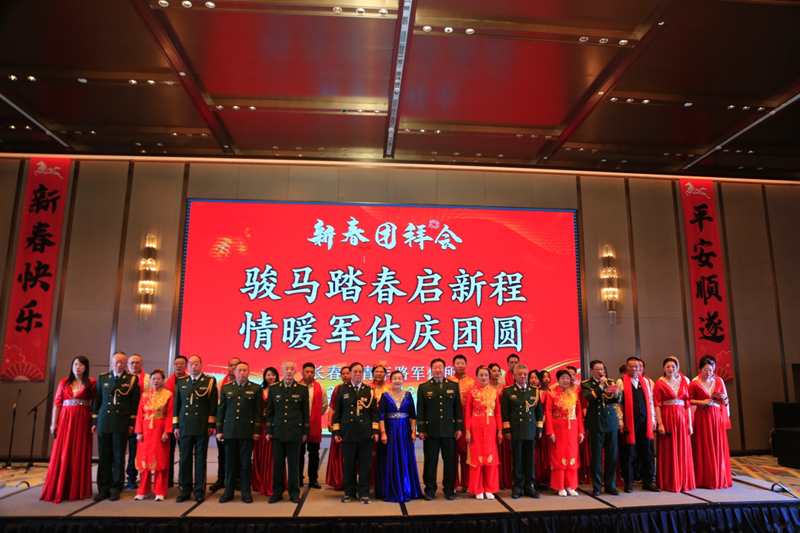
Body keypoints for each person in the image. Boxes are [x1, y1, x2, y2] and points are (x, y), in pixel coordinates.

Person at [41, 356, 96, 503]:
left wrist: (94, 421)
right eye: (75, 364)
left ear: (86, 367)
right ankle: (60, 486)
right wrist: (54, 422)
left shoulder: (92, 382)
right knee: (63, 450)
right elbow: (57, 403)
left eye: (81, 365)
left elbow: (95, 404)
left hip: (83, 419)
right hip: (65, 419)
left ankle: (77, 488)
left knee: (79, 451)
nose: (77, 367)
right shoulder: (64, 382)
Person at [92, 352, 141, 502]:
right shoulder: (103, 378)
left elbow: (134, 404)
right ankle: (103, 488)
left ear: (126, 364)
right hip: (104, 421)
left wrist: (131, 423)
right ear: (111, 362)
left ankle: (116, 488)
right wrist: (95, 421)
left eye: (122, 362)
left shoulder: (132, 379)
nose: (119, 365)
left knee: (118, 457)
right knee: (104, 457)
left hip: (121, 421)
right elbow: (97, 400)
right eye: (116, 362)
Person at [217, 361, 264, 503]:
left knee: (245, 464)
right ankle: (228, 492)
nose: (242, 373)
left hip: (246, 431)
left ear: (248, 372)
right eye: (239, 371)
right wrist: (219, 430)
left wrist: (257, 430)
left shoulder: (255, 388)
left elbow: (258, 412)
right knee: (230, 463)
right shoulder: (227, 388)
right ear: (234, 372)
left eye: (244, 371)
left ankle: (246, 492)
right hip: (230, 431)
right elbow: (221, 410)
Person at [417, 358, 463, 501]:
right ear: (431, 370)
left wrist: (458, 428)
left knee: (450, 462)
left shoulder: (453, 386)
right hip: (431, 430)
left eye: (440, 367)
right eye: (435, 368)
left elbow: (457, 409)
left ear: (445, 369)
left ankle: (449, 489)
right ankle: (430, 489)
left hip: (449, 430)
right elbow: (421, 411)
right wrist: (421, 429)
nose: (438, 370)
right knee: (430, 461)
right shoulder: (424, 387)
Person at [333, 362, 379, 504]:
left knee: (365, 465)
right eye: (355, 372)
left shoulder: (369, 391)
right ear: (350, 374)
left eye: (360, 372)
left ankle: (364, 493)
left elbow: (374, 414)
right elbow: (338, 413)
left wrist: (375, 431)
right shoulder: (342, 390)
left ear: (363, 374)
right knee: (349, 464)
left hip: (365, 433)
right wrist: (336, 431)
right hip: (348, 432)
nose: (357, 374)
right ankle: (349, 492)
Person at [173, 355, 218, 503]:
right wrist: (176, 425)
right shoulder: (181, 382)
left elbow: (212, 405)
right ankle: (184, 490)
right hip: (185, 425)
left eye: (196, 364)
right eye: (191, 364)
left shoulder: (209, 381)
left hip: (201, 425)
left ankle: (199, 491)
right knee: (184, 459)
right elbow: (177, 405)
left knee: (200, 460)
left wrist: (211, 424)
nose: (193, 366)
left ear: (201, 365)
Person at [266, 360, 309, 504]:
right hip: (278, 432)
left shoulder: (301, 389)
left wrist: (305, 432)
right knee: (278, 464)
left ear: (295, 371)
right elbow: (270, 412)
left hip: (294, 432)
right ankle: (277, 492)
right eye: (287, 369)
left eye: (292, 369)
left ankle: (294, 493)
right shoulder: (274, 388)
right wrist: (269, 430)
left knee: (293, 464)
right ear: (282, 371)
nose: (289, 371)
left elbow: (305, 412)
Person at [614, 357, 660, 493]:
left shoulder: (646, 381)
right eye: (632, 366)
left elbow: (650, 402)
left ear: (641, 368)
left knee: (648, 452)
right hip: (629, 422)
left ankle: (648, 481)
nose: (635, 369)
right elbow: (617, 404)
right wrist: (620, 422)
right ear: (626, 367)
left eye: (637, 366)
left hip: (645, 421)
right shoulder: (621, 382)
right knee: (629, 453)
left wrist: (653, 420)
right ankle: (628, 482)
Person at [377, 370, 423, 502]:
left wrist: (413, 431)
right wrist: (383, 433)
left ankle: (406, 488)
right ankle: (390, 489)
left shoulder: (408, 395)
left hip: (404, 431)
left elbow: (413, 415)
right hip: (390, 430)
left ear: (403, 380)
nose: (397, 381)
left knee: (405, 458)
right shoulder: (385, 396)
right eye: (395, 378)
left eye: (399, 378)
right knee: (390, 458)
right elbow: (381, 416)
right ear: (390, 381)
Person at [689, 355, 732, 489]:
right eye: (706, 370)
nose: (709, 373)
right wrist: (702, 402)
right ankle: (704, 478)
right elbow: (688, 400)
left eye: (711, 370)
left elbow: (725, 402)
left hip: (716, 416)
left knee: (718, 444)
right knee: (704, 444)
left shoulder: (718, 381)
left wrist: (723, 398)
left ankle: (719, 476)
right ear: (700, 369)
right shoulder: (694, 383)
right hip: (702, 416)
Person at [501, 363, 544, 499]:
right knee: (517, 460)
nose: (523, 377)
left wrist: (539, 429)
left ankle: (529, 486)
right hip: (516, 430)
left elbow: (539, 413)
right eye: (520, 374)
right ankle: (517, 487)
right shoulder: (508, 391)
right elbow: (505, 414)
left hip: (530, 430)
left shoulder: (534, 391)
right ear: (514, 376)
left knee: (529, 460)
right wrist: (507, 430)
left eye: (525, 374)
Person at [654, 357, 695, 493]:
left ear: (678, 368)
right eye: (668, 367)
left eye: (673, 366)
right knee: (669, 448)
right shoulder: (659, 383)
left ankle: (683, 480)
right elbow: (657, 404)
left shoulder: (684, 382)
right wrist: (660, 423)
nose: (671, 369)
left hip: (682, 417)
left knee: (683, 447)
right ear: (663, 368)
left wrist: (690, 423)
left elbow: (688, 404)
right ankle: (669, 481)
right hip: (667, 417)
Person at [581, 360, 620, 497]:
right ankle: (597, 486)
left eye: (602, 368)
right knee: (597, 456)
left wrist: (617, 395)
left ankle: (610, 485)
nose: (600, 371)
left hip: (610, 421)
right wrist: (601, 386)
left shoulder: (611, 381)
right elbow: (590, 399)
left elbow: (617, 400)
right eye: (597, 369)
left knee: (612, 455)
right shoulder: (586, 384)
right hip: (596, 422)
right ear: (591, 370)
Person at [133, 369, 174, 501]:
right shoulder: (145, 394)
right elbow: (140, 414)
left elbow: (170, 414)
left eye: (158, 379)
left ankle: (159, 491)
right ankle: (143, 490)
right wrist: (138, 431)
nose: (155, 381)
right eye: (153, 379)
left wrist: (167, 432)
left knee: (160, 460)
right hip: (145, 429)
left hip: (160, 429)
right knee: (144, 461)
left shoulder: (168, 394)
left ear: (163, 380)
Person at [464, 366, 504, 500]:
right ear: (476, 376)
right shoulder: (471, 392)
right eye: (481, 375)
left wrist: (500, 431)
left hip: (491, 427)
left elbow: (498, 413)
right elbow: (468, 413)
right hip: (476, 427)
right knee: (477, 457)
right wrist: (467, 431)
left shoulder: (494, 392)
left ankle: (489, 488)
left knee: (490, 457)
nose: (484, 377)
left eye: (486, 375)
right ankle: (477, 488)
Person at [546, 370, 585, 497]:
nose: (566, 380)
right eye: (563, 378)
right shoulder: (552, 394)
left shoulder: (574, 394)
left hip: (573, 428)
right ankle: (560, 486)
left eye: (568, 378)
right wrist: (550, 431)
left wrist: (581, 431)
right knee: (559, 456)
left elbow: (579, 413)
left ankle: (570, 485)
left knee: (572, 455)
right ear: (558, 380)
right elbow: (548, 414)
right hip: (558, 428)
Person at [209, 356, 240, 493]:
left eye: (236, 366)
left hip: (238, 424)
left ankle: (237, 479)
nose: (233, 368)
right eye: (231, 365)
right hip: (224, 423)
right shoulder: (221, 383)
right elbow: (217, 404)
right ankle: (221, 478)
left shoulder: (244, 383)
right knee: (222, 453)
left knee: (238, 454)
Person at [298, 362, 328, 489]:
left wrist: (314, 417)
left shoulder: (321, 388)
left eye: (311, 372)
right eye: (307, 372)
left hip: (314, 426)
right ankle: (298, 478)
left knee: (314, 454)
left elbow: (324, 406)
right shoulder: (296, 386)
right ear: (302, 372)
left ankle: (313, 479)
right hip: (298, 426)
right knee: (299, 453)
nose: (309, 374)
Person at [448, 354, 475, 493]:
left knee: (466, 454)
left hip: (466, 423)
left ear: (466, 364)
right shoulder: (448, 381)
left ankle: (467, 483)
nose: (460, 365)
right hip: (451, 423)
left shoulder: (471, 382)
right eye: (457, 363)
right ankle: (452, 484)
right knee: (452, 455)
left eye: (462, 363)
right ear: (453, 365)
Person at [126, 354, 151, 490]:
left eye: (137, 362)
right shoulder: (122, 378)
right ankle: (116, 478)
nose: (134, 365)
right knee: (118, 451)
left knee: (135, 450)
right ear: (127, 364)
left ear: (142, 364)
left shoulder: (148, 379)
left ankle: (132, 477)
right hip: (123, 418)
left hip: (141, 419)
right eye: (132, 363)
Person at [253, 366, 279, 496]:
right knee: (260, 454)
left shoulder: (280, 390)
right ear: (264, 376)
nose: (271, 377)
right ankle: (259, 481)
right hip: (262, 426)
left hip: (276, 426)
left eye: (273, 375)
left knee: (274, 455)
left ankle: (273, 482)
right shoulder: (260, 390)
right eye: (268, 375)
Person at [164, 355, 188, 488]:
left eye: (182, 363)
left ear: (186, 366)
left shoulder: (189, 382)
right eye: (176, 363)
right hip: (167, 421)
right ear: (173, 365)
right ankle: (167, 480)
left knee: (184, 453)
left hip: (183, 422)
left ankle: (183, 481)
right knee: (168, 452)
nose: (178, 366)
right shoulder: (166, 382)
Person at [488, 363, 512, 490]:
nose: (497, 373)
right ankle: (491, 481)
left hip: (503, 420)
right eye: (494, 371)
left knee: (504, 452)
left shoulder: (505, 388)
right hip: (489, 421)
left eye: (498, 371)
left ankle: (504, 480)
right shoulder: (485, 388)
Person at [326, 365, 350, 490]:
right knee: (338, 453)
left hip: (352, 426)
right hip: (339, 424)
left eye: (347, 373)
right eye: (343, 373)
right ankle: (339, 480)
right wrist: (329, 422)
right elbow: (332, 407)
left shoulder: (359, 389)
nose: (345, 375)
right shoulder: (338, 389)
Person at [534, 369, 552, 490]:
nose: (546, 379)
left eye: (548, 376)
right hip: (538, 425)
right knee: (537, 453)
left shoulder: (553, 392)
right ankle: (537, 478)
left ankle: (547, 479)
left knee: (547, 453)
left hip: (548, 425)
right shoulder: (537, 393)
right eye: (543, 377)